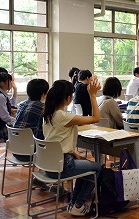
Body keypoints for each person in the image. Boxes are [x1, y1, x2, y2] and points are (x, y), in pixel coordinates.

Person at [43, 79, 101, 216]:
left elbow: (57, 140)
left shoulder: (47, 114)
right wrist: (92, 95)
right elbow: (96, 118)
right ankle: (78, 204)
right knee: (97, 167)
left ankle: (74, 203)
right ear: (68, 98)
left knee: (86, 167)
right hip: (63, 166)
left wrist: (74, 153)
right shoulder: (63, 116)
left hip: (49, 164)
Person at [0, 72, 17, 141]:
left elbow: (11, 104)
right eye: (10, 81)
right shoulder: (1, 96)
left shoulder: (4, 94)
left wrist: (15, 89)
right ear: (2, 83)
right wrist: (17, 121)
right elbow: (5, 117)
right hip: (2, 127)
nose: (11, 83)